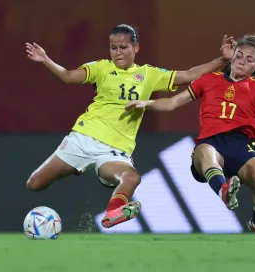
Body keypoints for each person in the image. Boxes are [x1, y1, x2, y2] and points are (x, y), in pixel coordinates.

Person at [24, 24, 235, 229]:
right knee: (34, 184)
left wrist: (223, 59)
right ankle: (77, 166)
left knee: (132, 177)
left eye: (123, 47)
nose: (117, 52)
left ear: (136, 47)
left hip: (114, 151)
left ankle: (113, 213)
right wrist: (45, 60)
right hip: (83, 138)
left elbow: (188, 75)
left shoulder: (148, 74)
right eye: (113, 47)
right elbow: (68, 77)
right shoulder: (101, 68)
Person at [126, 33, 255, 241]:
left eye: (249, 59)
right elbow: (173, 102)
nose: (242, 61)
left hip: (242, 145)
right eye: (239, 55)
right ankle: (224, 191)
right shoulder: (208, 80)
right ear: (232, 57)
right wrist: (147, 104)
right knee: (204, 151)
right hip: (211, 142)